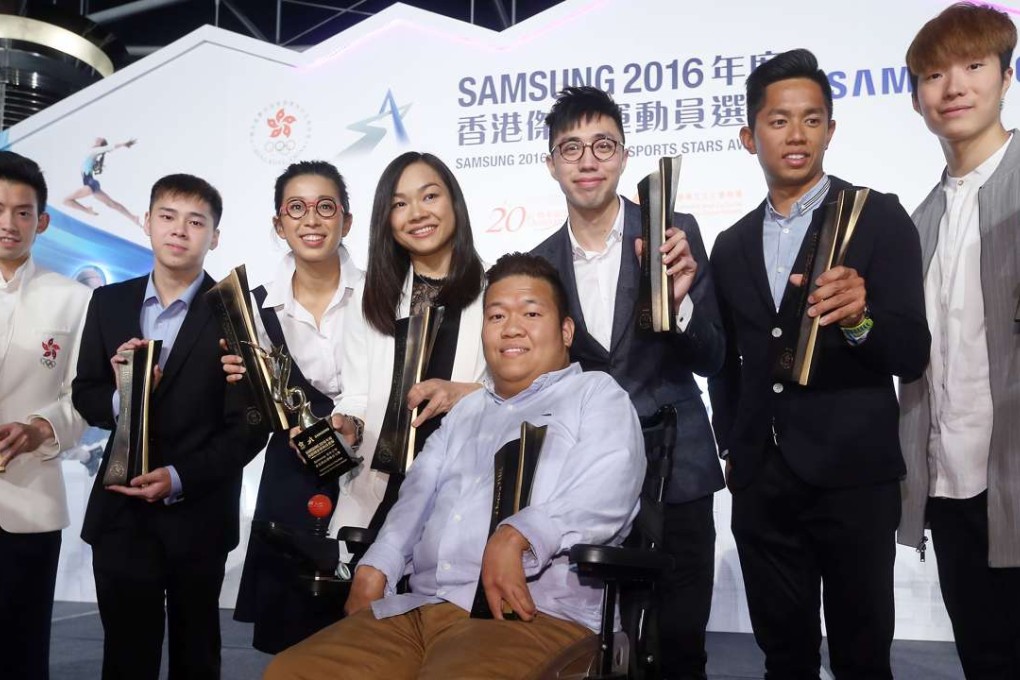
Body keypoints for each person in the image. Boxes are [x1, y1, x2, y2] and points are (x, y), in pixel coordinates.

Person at [264, 252, 645, 679]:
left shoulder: (596, 395)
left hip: (532, 614)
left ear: (566, 330)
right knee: (290, 671)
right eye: (496, 315)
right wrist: (377, 564)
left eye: (531, 313)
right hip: (422, 609)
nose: (511, 327)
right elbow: (415, 499)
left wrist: (519, 534)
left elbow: (607, 491)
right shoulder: (466, 412)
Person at [707, 49, 929, 678]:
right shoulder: (731, 244)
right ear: (750, 136)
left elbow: (912, 352)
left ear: (831, 128)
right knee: (784, 656)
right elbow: (727, 364)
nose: (796, 135)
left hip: (854, 476)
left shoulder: (876, 215)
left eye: (811, 119)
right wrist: (734, 446)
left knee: (863, 655)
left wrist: (860, 320)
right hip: (762, 480)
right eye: (778, 121)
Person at [531, 85, 724, 679]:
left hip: (680, 472)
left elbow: (714, 356)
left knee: (681, 643)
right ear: (551, 163)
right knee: (595, 647)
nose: (588, 161)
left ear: (622, 155)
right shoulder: (540, 265)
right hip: (589, 480)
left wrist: (683, 303)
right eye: (572, 148)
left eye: (602, 145)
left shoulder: (672, 231)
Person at [72, 173, 266, 680]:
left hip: (197, 514)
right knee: (124, 657)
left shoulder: (237, 313)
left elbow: (249, 426)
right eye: (167, 216)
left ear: (215, 237)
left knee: (196, 655)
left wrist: (179, 477)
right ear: (147, 223)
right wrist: (127, 394)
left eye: (196, 221)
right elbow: (85, 394)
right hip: (120, 514)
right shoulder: (109, 303)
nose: (179, 230)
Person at [898, 4, 1020, 676]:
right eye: (934, 73)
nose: (954, 86)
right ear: (917, 100)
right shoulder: (917, 223)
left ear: (1006, 75)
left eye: (974, 65)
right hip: (952, 482)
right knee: (986, 657)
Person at [223, 161, 364, 653]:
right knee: (294, 642)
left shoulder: (384, 298)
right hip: (291, 479)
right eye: (296, 208)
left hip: (371, 478)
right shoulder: (254, 312)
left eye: (326, 207)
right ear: (279, 224)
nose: (312, 220)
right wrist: (243, 393)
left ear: (346, 221)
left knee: (368, 638)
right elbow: (249, 421)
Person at [326, 152, 487, 542]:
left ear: (455, 203)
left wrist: (464, 394)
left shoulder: (494, 292)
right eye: (399, 204)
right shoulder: (370, 295)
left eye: (429, 197)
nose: (416, 213)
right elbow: (358, 395)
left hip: (461, 493)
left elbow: (523, 396)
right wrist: (347, 426)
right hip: (377, 495)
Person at [0, 150, 91, 680]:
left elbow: (87, 396)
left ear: (43, 221)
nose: (8, 223)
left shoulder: (73, 300)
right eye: (0, 208)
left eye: (22, 211)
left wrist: (41, 428)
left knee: (23, 644)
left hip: (31, 497)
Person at [63, 137, 142, 226]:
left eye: (99, 139)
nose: (96, 139)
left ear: (100, 144)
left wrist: (124, 144)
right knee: (111, 204)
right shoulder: (93, 152)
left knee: (66, 200)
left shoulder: (95, 150)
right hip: (92, 184)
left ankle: (87, 210)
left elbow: (110, 147)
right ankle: (133, 218)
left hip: (90, 184)